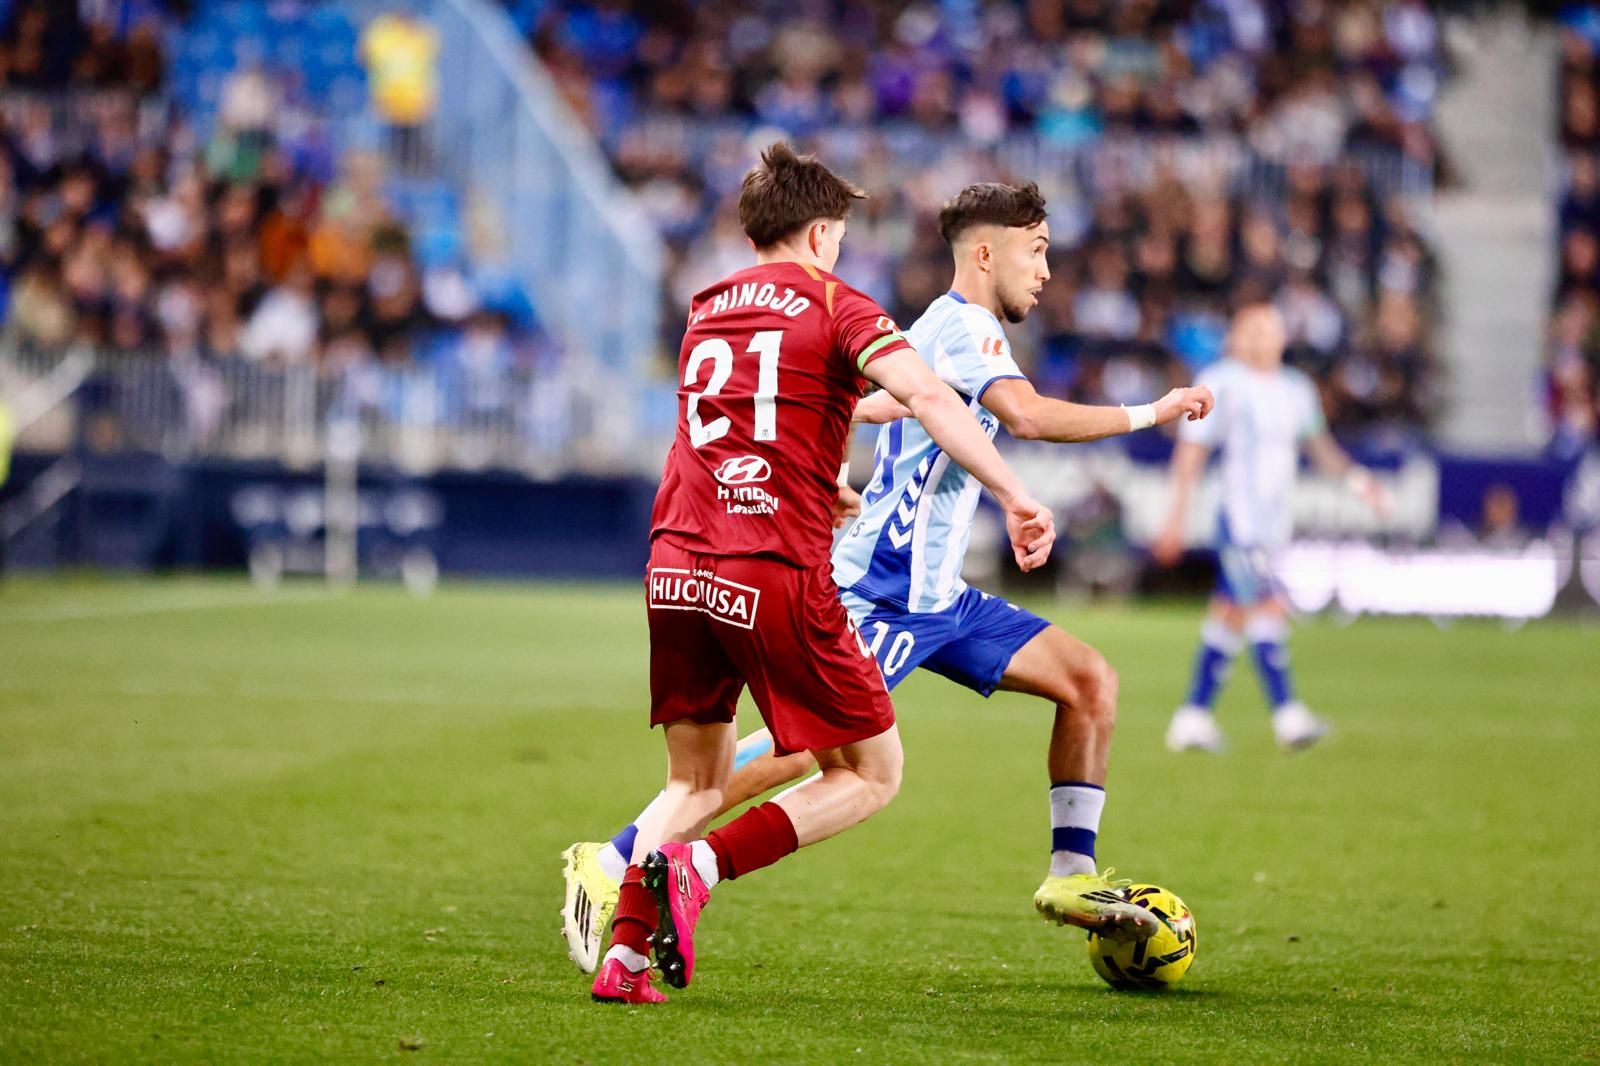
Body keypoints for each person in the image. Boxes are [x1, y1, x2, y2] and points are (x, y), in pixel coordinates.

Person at [568, 180, 1214, 982]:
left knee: (1088, 681)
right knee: (816, 756)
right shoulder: (962, 328)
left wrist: (823, 472)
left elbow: (869, 405)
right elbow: (1027, 416)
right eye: (1037, 251)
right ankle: (623, 857)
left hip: (942, 596)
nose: (1047, 272)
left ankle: (1070, 872)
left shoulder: (922, 328)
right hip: (882, 588)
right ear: (986, 253)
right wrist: (1154, 410)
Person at [588, 147, 1058, 1005]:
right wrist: (1015, 492)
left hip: (676, 567)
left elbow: (737, 430)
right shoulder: (840, 306)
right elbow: (928, 398)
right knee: (871, 772)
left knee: (694, 780)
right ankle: (700, 866)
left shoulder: (706, 306)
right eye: (839, 233)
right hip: (771, 573)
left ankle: (621, 956)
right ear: (819, 231)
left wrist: (819, 483)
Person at [1153, 301, 1391, 753]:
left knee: (1229, 615)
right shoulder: (1223, 381)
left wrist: (1363, 485)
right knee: (1266, 608)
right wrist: (1175, 519)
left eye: (1269, 327)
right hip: (1239, 521)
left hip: (1274, 526)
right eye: (1252, 328)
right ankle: (1288, 716)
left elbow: (1320, 447)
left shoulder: (1297, 389)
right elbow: (1192, 452)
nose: (1261, 336)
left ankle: (1191, 718)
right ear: (1237, 337)